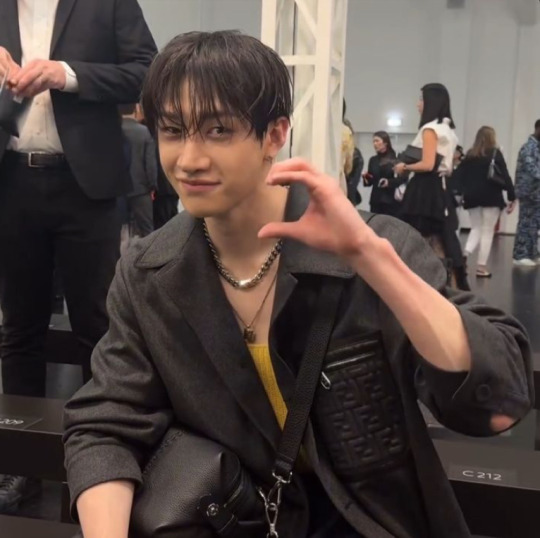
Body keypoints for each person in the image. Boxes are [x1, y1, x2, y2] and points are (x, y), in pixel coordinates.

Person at [63, 31, 533, 538]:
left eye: (219, 131)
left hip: (370, 521)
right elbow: (105, 423)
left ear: (274, 134)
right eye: (173, 131)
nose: (189, 159)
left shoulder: (375, 250)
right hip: (234, 516)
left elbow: (497, 403)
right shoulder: (149, 274)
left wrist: (371, 257)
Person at [0, 0, 156, 512]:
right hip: (12, 181)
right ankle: (19, 465)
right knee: (18, 328)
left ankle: (95, 464)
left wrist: (66, 75)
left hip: (87, 187)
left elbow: (147, 72)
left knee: (98, 329)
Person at [395, 83, 468, 289]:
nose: (418, 104)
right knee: (442, 239)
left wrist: (404, 166)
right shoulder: (448, 130)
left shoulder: (430, 129)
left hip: (424, 189)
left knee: (420, 240)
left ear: (431, 102)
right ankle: (447, 287)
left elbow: (427, 164)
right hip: (440, 187)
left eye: (421, 99)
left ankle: (423, 285)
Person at [455, 127, 516, 277]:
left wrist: (460, 193)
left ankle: (465, 255)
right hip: (491, 197)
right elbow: (505, 176)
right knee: (487, 231)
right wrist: (512, 196)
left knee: (476, 228)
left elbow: (458, 176)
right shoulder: (495, 153)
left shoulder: (470, 155)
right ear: (492, 138)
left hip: (472, 197)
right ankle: (481, 267)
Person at [121, 104, 158, 238]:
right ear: (136, 109)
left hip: (118, 190)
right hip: (141, 189)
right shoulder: (143, 132)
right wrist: (153, 185)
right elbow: (150, 162)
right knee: (147, 231)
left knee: (120, 231)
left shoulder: (112, 130)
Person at [512, 120, 540, 266]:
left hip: (535, 193)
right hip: (528, 192)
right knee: (526, 223)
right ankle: (520, 255)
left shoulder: (536, 147)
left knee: (534, 225)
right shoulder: (529, 148)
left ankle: (531, 254)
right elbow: (533, 169)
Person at [362, 131, 402, 217]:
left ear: (385, 142)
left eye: (377, 141)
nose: (374, 144)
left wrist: (388, 182)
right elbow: (369, 183)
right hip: (376, 201)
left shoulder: (396, 159)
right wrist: (365, 177)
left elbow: (401, 180)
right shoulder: (373, 160)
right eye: (373, 141)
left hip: (391, 201)